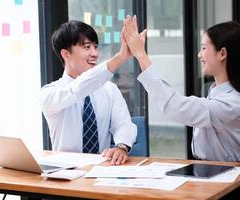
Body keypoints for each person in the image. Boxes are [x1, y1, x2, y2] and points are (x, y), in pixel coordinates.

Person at [122, 15, 240, 162]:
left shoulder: (233, 103)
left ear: (222, 53)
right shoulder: (217, 91)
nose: (199, 55)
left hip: (230, 177)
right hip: (210, 169)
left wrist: (140, 54)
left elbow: (176, 106)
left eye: (203, 48)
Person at [39, 20, 137, 165]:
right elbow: (77, 89)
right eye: (87, 47)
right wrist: (120, 57)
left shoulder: (110, 90)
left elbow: (123, 124)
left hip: (102, 171)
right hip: (64, 174)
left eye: (95, 47)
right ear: (66, 54)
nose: (95, 54)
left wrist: (121, 147)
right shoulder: (50, 93)